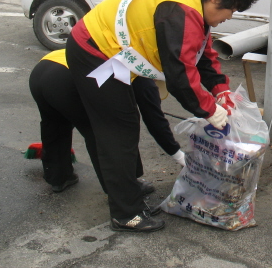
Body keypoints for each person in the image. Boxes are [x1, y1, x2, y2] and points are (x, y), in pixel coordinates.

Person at [65, 0, 255, 233]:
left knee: (140, 110)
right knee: (119, 128)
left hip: (125, 53)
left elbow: (200, 53)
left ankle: (126, 184)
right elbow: (180, 76)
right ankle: (125, 212)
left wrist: (220, 89)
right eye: (230, 9)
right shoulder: (180, 11)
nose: (229, 16)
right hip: (97, 52)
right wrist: (209, 110)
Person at [28, 49, 186, 196]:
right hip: (69, 80)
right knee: (102, 131)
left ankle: (58, 177)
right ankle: (123, 189)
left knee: (54, 123)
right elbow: (154, 119)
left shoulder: (128, 52)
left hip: (43, 70)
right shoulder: (143, 75)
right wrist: (178, 154)